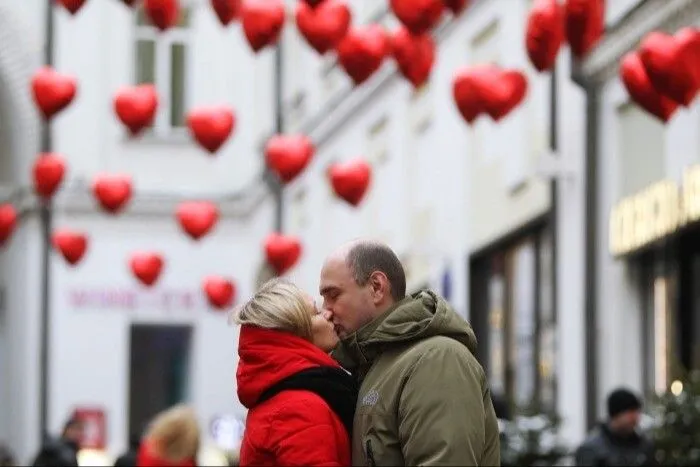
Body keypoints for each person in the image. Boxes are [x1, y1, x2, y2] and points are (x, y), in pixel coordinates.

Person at [320, 239, 500, 466]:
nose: (325, 311)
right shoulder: (373, 367)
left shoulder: (436, 359)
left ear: (376, 287)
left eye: (333, 295)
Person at [233, 278, 357, 466]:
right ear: (293, 335)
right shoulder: (298, 408)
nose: (328, 314)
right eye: (316, 313)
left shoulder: (285, 397)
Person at [575, 388, 656, 466]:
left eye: (637, 412)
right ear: (616, 415)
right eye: (630, 412)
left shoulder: (644, 446)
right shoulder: (591, 449)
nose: (635, 418)